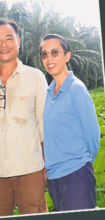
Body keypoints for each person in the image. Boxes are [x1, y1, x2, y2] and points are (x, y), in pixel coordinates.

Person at [0, 18, 48, 217]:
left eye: (9, 38)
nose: (4, 45)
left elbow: (45, 126)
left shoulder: (36, 77)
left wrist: (48, 166)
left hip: (31, 170)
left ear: (18, 42)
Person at [40, 34, 100, 211]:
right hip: (54, 178)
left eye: (54, 52)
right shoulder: (48, 93)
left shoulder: (77, 89)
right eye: (44, 54)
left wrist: (85, 162)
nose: (49, 58)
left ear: (67, 56)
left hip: (76, 175)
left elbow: (92, 135)